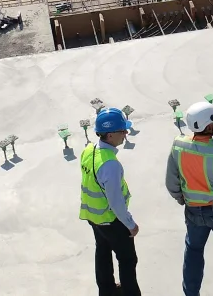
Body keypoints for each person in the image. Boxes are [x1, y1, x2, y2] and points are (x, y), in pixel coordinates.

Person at [166, 102, 213, 296]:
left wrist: (181, 199)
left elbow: (171, 182)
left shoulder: (179, 144)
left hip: (193, 212)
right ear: (208, 126)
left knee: (193, 253)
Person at [80, 106, 141, 296]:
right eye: (122, 130)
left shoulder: (89, 150)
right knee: (128, 259)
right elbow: (115, 202)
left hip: (93, 216)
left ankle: (106, 291)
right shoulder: (110, 164)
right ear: (110, 134)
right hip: (111, 220)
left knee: (103, 252)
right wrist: (130, 224)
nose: (126, 133)